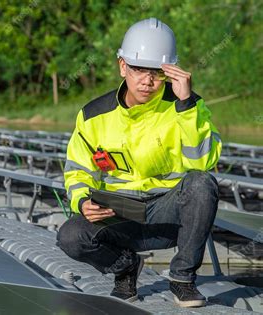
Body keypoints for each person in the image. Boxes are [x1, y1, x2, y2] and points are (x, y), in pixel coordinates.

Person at [56, 17, 222, 308]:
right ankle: (125, 267)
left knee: (201, 183)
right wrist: (82, 201)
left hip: (168, 215)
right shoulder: (93, 115)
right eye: (138, 69)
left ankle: (182, 279)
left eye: (157, 71)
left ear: (170, 71)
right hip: (120, 215)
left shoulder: (188, 107)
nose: (148, 80)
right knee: (71, 236)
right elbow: (78, 171)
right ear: (122, 66)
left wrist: (186, 107)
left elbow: (203, 162)